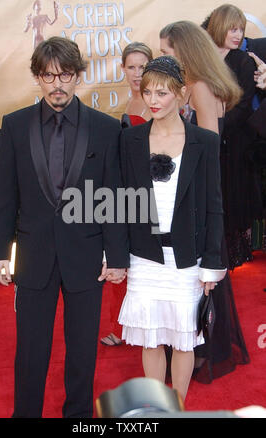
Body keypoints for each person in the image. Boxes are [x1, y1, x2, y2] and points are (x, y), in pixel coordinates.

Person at [0, 36, 129, 418]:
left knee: (83, 350)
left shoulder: (104, 128)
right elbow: (6, 195)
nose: (58, 84)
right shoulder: (15, 125)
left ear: (79, 76)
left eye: (65, 75)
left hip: (86, 256)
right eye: (49, 75)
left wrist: (116, 256)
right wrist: (0, 252)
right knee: (31, 350)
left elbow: (112, 196)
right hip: (34, 256)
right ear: (37, 77)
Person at [118, 55, 227, 401]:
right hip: (144, 258)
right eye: (148, 92)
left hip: (187, 260)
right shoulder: (130, 140)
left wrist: (212, 262)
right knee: (149, 336)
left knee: (183, 338)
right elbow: (121, 202)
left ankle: (176, 405)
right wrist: (116, 255)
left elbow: (214, 205)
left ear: (180, 94)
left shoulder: (204, 142)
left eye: (162, 93)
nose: (153, 101)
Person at [159, 20, 250, 383]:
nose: (162, 58)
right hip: (194, 191)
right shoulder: (196, 84)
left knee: (200, 275)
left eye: (166, 52)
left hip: (197, 194)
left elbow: (208, 147)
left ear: (183, 51)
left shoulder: (199, 87)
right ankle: (202, 348)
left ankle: (204, 350)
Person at [100, 42, 152, 347]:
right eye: (131, 67)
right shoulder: (128, 102)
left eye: (142, 67)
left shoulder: (157, 103)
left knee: (144, 261)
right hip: (128, 194)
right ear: (122, 70)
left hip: (151, 193)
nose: (136, 73)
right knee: (122, 256)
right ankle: (121, 326)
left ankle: (144, 326)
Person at [204, 4, 263, 268]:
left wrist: (217, 127)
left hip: (237, 140)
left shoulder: (243, 60)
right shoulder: (204, 60)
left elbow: (244, 103)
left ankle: (236, 252)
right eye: (232, 28)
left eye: (241, 28)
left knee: (235, 195)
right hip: (209, 140)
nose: (238, 34)